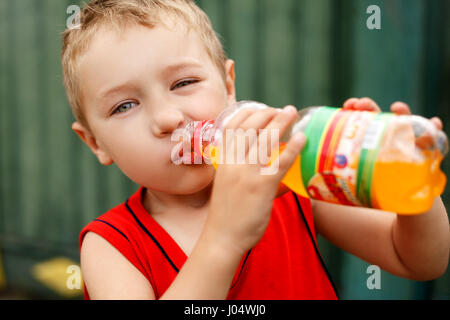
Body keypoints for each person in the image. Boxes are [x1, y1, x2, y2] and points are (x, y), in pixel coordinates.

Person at [61, 0, 449, 299]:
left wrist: (404, 177)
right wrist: (225, 237)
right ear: (96, 142)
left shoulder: (290, 176)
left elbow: (418, 260)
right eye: (124, 106)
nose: (167, 118)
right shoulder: (111, 246)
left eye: (184, 83)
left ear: (229, 86)